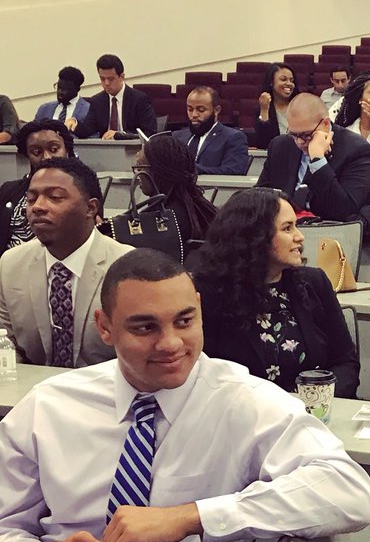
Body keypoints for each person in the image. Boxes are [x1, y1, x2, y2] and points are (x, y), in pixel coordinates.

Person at [0, 248, 370, 542]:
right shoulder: (51, 404)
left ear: (199, 309)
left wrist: (193, 516)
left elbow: (348, 491)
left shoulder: (243, 402)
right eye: (145, 328)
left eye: (184, 320)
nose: (171, 343)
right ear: (104, 328)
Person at [191, 189, 359, 397]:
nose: (300, 237)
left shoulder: (314, 283)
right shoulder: (209, 295)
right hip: (246, 416)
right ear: (254, 236)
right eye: (287, 228)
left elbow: (346, 362)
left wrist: (314, 401)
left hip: (314, 412)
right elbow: (206, 378)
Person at [0, 157, 131, 367]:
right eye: (31, 199)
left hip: (106, 392)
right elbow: (4, 341)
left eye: (55, 197)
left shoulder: (127, 267)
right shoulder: (11, 263)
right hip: (32, 391)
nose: (38, 207)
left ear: (91, 208)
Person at [257, 93, 370, 241]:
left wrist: (318, 161)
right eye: (293, 134)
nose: (299, 142)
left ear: (325, 124)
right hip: (284, 236)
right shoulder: (280, 145)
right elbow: (260, 195)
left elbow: (343, 210)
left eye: (306, 135)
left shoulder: (357, 150)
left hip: (334, 238)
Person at [133, 134, 218, 247]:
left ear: (160, 171)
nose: (137, 174)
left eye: (140, 166)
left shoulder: (164, 223)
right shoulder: (199, 208)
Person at [3, 121, 75, 253]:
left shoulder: (84, 189)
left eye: (54, 149)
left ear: (67, 149)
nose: (46, 157)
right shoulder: (9, 190)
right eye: (37, 152)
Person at [171, 86, 250, 176]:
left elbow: (233, 171)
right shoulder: (177, 137)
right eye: (190, 109)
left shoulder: (233, 137)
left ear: (216, 110)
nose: (194, 115)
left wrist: (193, 169)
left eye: (201, 110)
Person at [75, 54, 157, 141]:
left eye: (110, 79)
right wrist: (75, 124)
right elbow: (88, 130)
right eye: (102, 79)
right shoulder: (97, 101)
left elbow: (149, 133)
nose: (106, 83)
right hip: (106, 149)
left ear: (122, 77)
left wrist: (121, 135)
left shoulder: (139, 99)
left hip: (132, 149)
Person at [252, 63, 297, 150]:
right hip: (274, 155)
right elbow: (262, 142)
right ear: (271, 82)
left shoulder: (300, 105)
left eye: (291, 80)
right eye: (283, 79)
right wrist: (264, 110)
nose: (289, 84)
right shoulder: (262, 107)